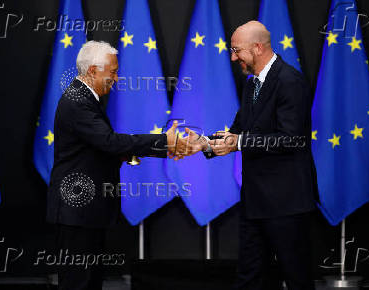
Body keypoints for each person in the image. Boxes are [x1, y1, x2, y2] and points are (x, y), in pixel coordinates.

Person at [172, 21, 318, 290]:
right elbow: (238, 132)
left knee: (297, 279)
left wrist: (239, 142)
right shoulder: (252, 85)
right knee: (248, 278)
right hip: (255, 201)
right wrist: (203, 144)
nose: (233, 57)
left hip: (287, 203)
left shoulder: (289, 81)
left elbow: (292, 139)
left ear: (258, 48)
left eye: (236, 50)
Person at [46, 40, 179, 290]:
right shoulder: (77, 101)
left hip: (85, 210)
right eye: (113, 72)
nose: (116, 78)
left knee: (90, 282)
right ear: (94, 71)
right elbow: (108, 141)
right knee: (79, 283)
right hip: (78, 211)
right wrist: (165, 141)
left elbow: (95, 147)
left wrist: (126, 155)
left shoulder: (84, 97)